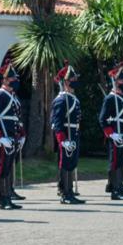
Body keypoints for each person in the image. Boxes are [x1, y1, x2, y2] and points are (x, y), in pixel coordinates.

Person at [98, 62, 123, 200]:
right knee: (115, 162)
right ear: (115, 82)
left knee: (121, 161)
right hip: (116, 135)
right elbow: (102, 119)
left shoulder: (122, 99)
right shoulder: (110, 98)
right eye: (122, 80)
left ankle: (120, 187)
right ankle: (115, 190)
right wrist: (112, 134)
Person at [0, 60, 25, 210]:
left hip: (13, 136)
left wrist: (22, 135)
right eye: (12, 78)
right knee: (3, 167)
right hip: (3, 137)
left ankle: (6, 194)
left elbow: (17, 118)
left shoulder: (13, 96)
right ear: (4, 80)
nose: (15, 81)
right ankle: (3, 199)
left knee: (9, 166)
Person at [51, 61, 84, 204]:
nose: (75, 81)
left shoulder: (73, 99)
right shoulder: (61, 99)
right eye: (73, 80)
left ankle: (70, 191)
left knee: (72, 163)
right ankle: (65, 193)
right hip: (66, 135)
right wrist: (63, 140)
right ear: (66, 82)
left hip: (74, 133)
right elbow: (57, 123)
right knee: (65, 163)